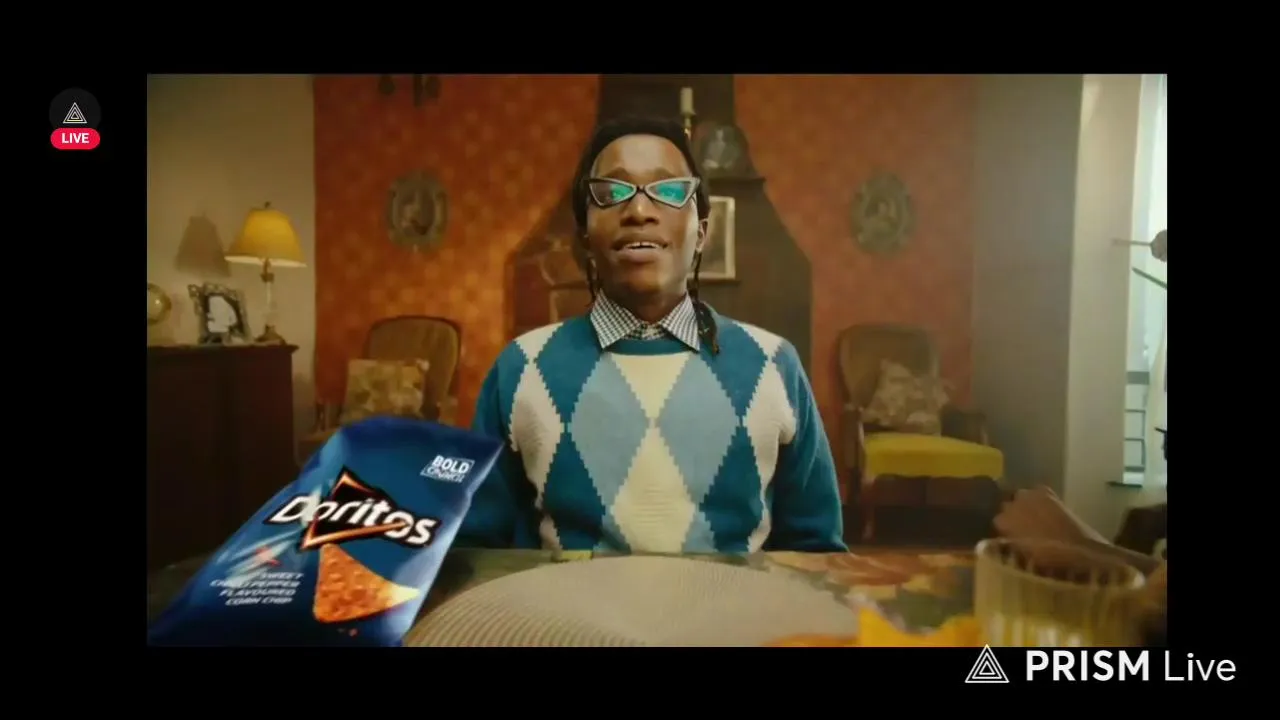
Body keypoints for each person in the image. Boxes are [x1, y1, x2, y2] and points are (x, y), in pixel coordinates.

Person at [457, 116, 846, 554]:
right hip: (568, 604)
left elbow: (816, 556)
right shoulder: (521, 368)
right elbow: (477, 553)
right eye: (611, 192)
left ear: (702, 233)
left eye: (669, 191)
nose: (639, 211)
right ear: (584, 234)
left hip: (731, 604)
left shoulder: (774, 365)